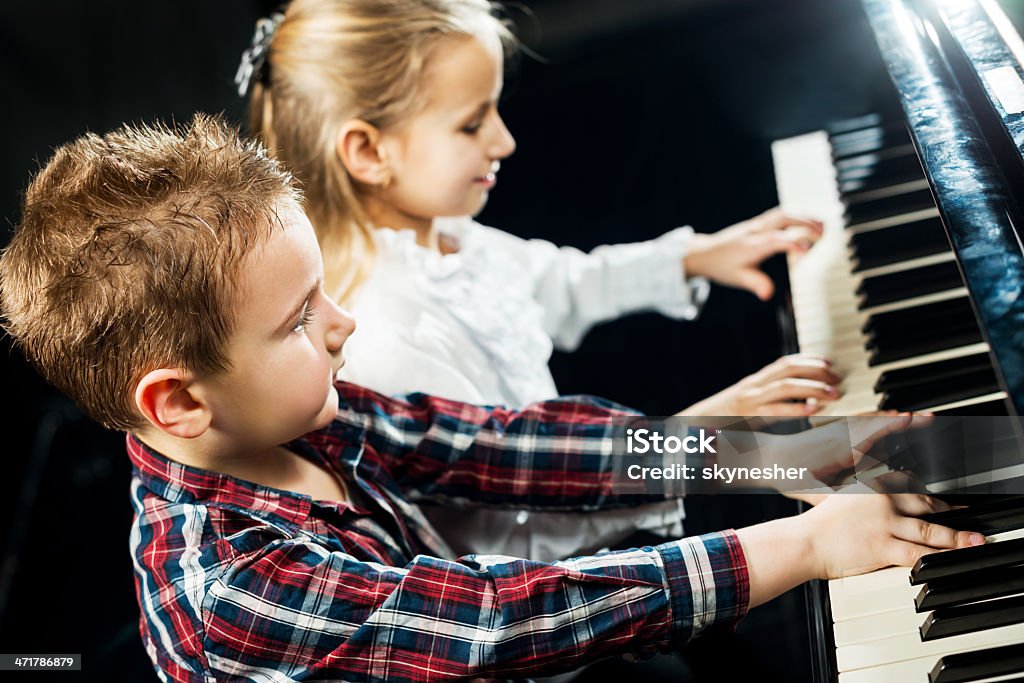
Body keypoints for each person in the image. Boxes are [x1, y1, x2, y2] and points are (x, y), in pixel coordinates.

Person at [0, 115, 982, 682]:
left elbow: (506, 446)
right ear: (178, 402)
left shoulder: (304, 412)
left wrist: (768, 457)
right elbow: (502, 619)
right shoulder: (235, 589)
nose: (344, 322)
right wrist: (800, 542)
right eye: (300, 317)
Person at [241, 0, 841, 562]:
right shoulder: (389, 338)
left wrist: (695, 257)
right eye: (472, 124)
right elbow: (521, 547)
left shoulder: (446, 233)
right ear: (369, 153)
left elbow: (560, 282)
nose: (504, 140)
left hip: (610, 503)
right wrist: (704, 443)